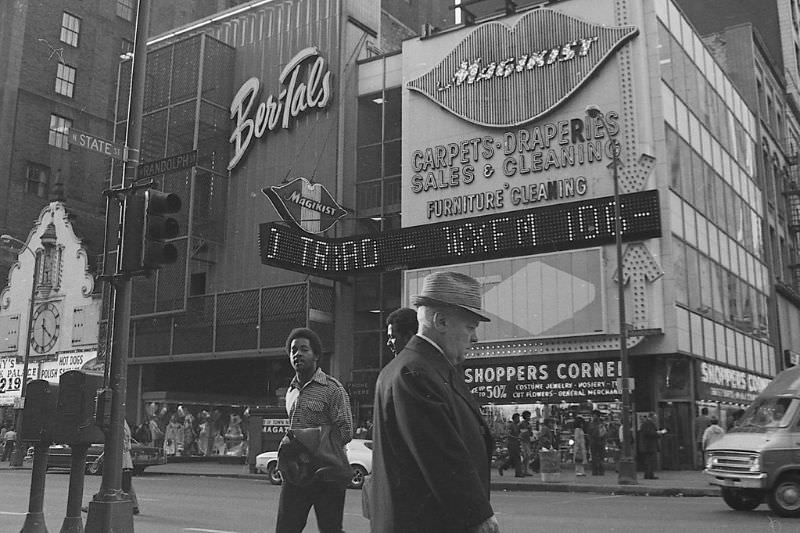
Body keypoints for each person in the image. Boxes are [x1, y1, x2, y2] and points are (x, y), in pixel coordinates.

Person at [370, 271, 500, 533]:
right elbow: (440, 454)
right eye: (470, 327)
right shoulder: (414, 372)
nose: (474, 338)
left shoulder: (429, 368)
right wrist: (477, 516)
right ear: (440, 321)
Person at [275, 327, 353, 533]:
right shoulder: (290, 391)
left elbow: (346, 431)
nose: (297, 354)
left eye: (304, 349)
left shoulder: (332, 389)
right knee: (286, 528)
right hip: (296, 474)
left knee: (330, 529)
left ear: (316, 355)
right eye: (293, 350)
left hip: (327, 474)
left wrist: (310, 440)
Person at [639, 412, 667, 479]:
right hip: (649, 445)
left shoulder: (646, 423)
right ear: (652, 417)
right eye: (655, 417)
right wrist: (659, 433)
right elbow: (649, 433)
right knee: (649, 461)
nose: (656, 419)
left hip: (648, 445)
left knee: (649, 460)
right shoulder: (648, 423)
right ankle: (649, 475)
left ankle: (649, 474)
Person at [498, 413, 523, 477]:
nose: (519, 419)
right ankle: (518, 473)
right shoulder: (511, 425)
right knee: (517, 458)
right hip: (511, 444)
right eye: (518, 418)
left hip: (516, 443)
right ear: (514, 419)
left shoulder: (517, 426)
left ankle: (502, 467)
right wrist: (517, 438)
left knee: (512, 458)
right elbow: (508, 434)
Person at [587, 410, 607, 476]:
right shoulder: (602, 423)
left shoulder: (592, 423)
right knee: (601, 457)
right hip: (601, 442)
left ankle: (595, 471)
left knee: (594, 457)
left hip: (594, 442)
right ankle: (601, 471)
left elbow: (590, 433)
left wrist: (590, 439)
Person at [518, 411, 533, 476]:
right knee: (526, 455)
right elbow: (520, 433)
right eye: (528, 416)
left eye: (529, 416)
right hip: (523, 441)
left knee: (528, 456)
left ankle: (526, 470)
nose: (529, 417)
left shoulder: (528, 424)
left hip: (527, 441)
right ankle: (524, 470)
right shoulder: (521, 424)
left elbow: (530, 433)